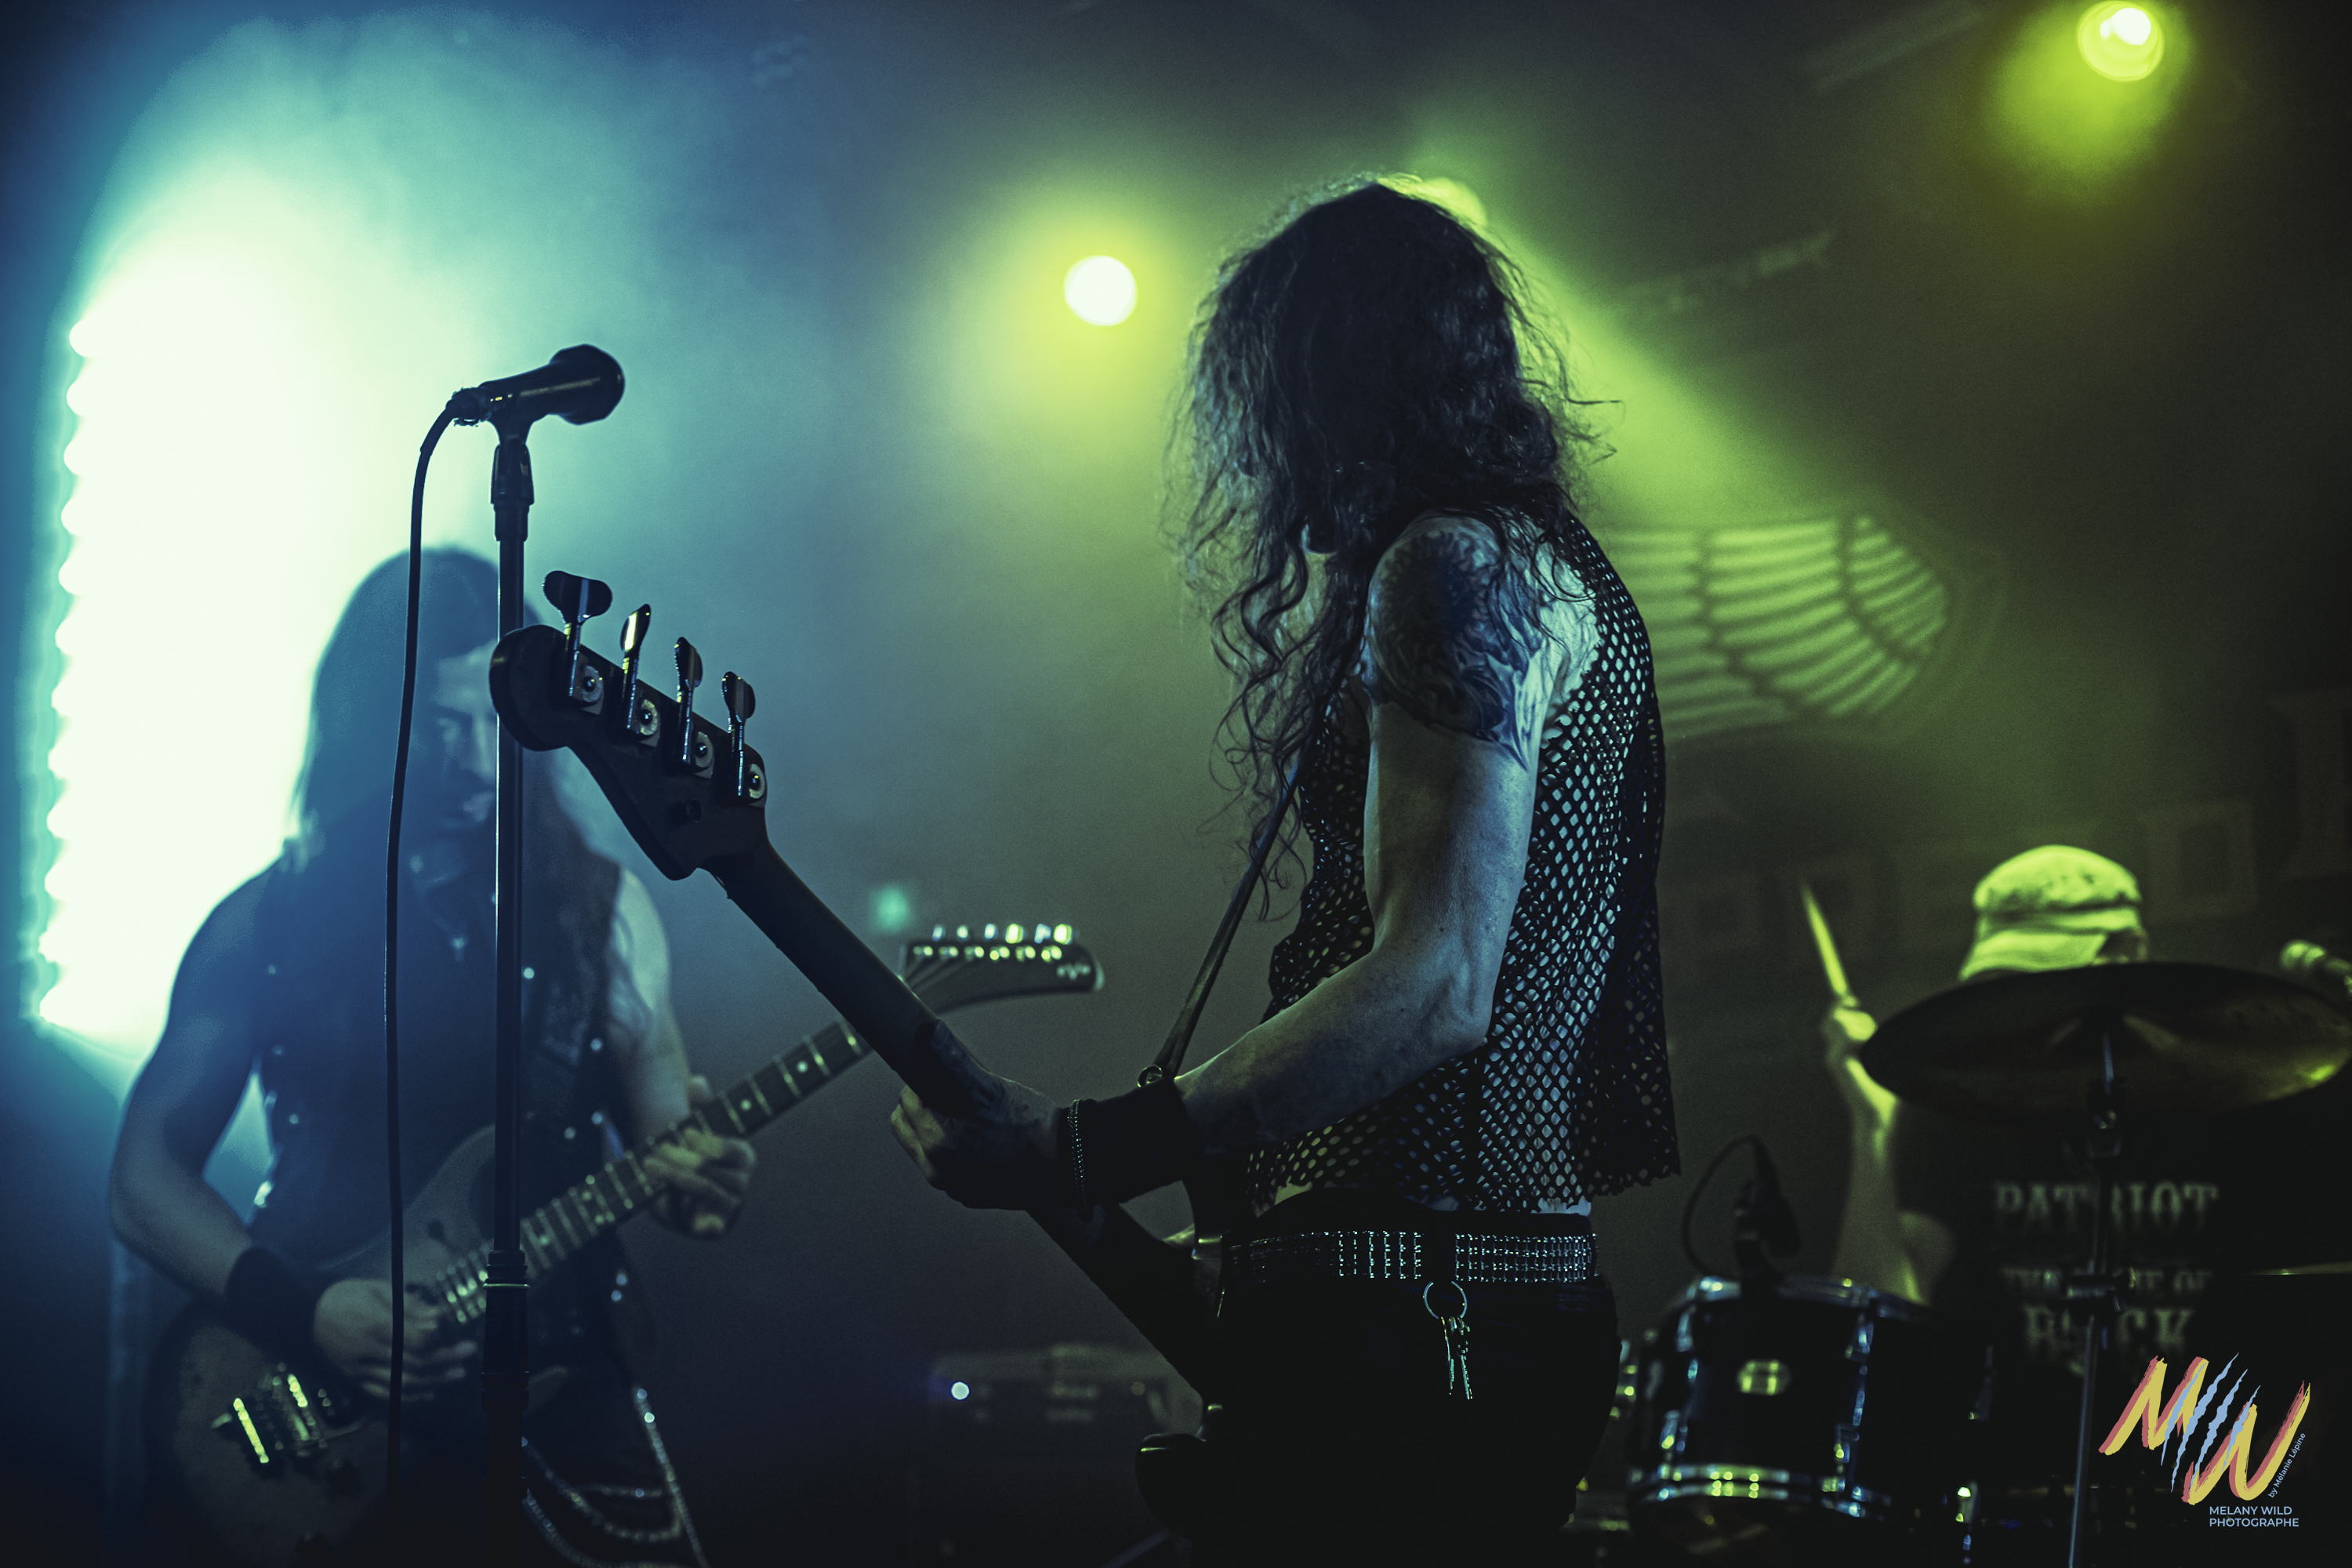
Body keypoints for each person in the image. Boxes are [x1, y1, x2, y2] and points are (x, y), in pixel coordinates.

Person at [889, 180, 1676, 1564]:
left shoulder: (1451, 567)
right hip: (1454, 1304)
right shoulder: (1539, 569)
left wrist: (1085, 1150)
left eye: (1267, 406)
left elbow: (1436, 985)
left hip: (1422, 1316)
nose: (1262, 458)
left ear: (1326, 386)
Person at [109, 550, 756, 1565]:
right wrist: (306, 1312)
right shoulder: (268, 919)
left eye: (494, 723)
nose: (473, 761)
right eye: (437, 726)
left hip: (562, 1389)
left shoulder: (604, 913)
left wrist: (701, 1183)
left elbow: (669, 1147)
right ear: (372, 720)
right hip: (323, 1394)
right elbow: (142, 1180)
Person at [1823, 844, 2347, 1556]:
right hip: (2012, 1509)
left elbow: (2315, 1322)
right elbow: (1885, 1334)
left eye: (2048, 971)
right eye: (2008, 978)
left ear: (2126, 951)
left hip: (2215, 1501)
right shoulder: (1955, 1106)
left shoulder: (2247, 1093)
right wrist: (1872, 1130)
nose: (2029, 999)